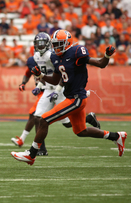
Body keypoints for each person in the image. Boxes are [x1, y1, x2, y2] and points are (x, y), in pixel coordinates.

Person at [11, 29, 127, 165]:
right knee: (81, 131)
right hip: (71, 97)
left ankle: (31, 155)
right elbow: (55, 80)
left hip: (77, 98)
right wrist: (41, 76)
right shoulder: (54, 57)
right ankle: (116, 136)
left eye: (59, 44)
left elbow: (101, 64)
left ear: (67, 43)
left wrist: (106, 56)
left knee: (43, 120)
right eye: (54, 44)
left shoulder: (76, 52)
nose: (56, 47)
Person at [11, 32, 101, 155]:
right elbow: (43, 74)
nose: (40, 46)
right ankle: (40, 149)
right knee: (38, 117)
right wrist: (39, 85)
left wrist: (57, 90)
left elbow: (61, 75)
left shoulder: (52, 56)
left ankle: (88, 119)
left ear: (48, 44)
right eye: (38, 44)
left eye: (42, 44)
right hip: (48, 89)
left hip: (59, 89)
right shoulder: (36, 56)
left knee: (67, 124)